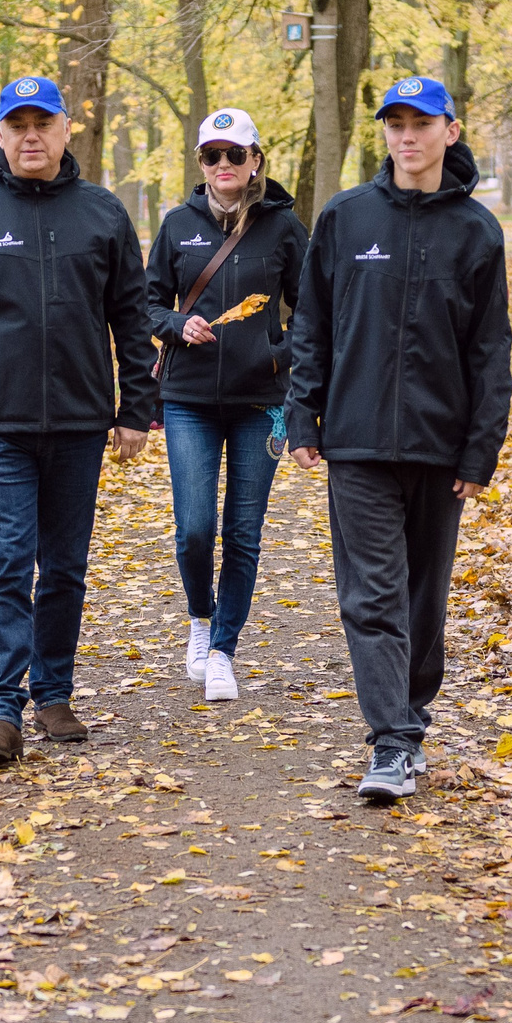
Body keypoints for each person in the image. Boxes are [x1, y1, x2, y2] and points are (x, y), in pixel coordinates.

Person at [0, 74, 157, 768]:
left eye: (43, 123)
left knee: (65, 567)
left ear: (66, 128)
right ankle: (0, 709)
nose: (31, 137)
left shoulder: (103, 213)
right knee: (10, 562)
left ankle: (53, 693)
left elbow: (131, 318)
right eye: (17, 125)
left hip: (80, 422)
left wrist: (136, 407)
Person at [286, 74, 512, 802]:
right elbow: (311, 325)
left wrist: (481, 448)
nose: (407, 136)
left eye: (421, 123)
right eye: (396, 124)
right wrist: (302, 414)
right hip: (355, 443)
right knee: (372, 595)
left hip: (441, 449)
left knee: (423, 601)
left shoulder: (477, 232)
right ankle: (391, 740)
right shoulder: (346, 218)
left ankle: (411, 718)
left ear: (451, 130)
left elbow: (490, 351)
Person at [146, 109, 309, 702]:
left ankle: (222, 651)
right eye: (211, 155)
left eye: (235, 154)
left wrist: (276, 355)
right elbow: (145, 303)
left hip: (259, 401)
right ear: (201, 163)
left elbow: (315, 311)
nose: (223, 165)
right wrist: (175, 324)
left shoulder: (284, 228)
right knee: (194, 529)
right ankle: (200, 618)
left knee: (243, 532)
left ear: (255, 161)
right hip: (188, 398)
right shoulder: (177, 225)